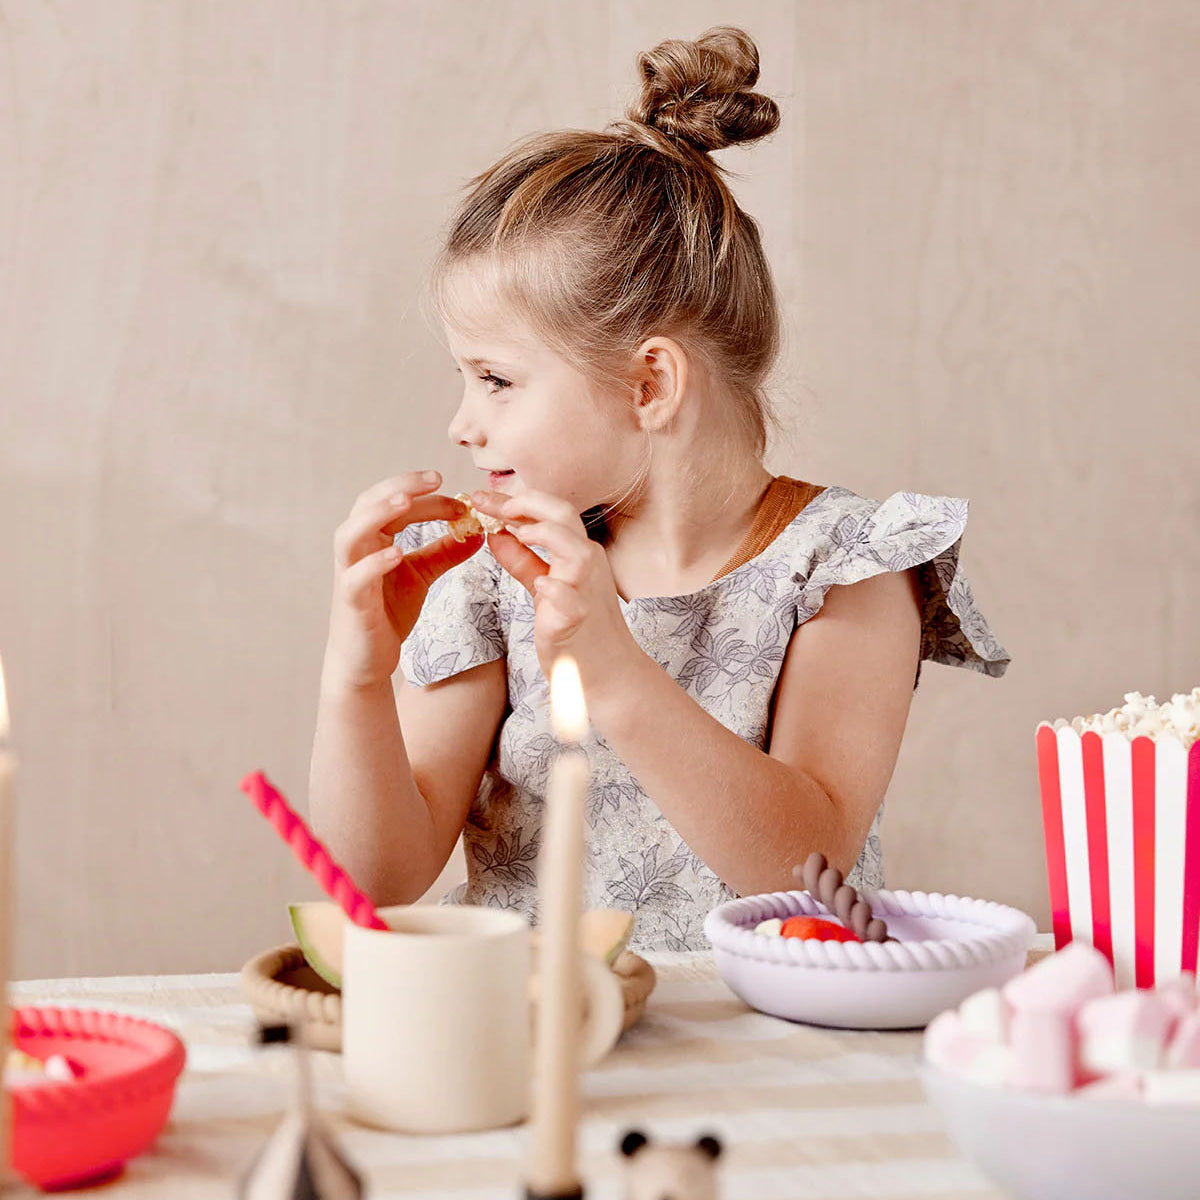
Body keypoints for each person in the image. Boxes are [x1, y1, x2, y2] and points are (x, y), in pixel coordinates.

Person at [309, 26, 1009, 951]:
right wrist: (355, 677)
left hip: (767, 1050)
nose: (463, 425)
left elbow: (811, 867)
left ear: (649, 385)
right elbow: (379, 879)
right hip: (535, 1048)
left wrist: (610, 666)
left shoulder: (847, 566)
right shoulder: (490, 579)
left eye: (497, 379)